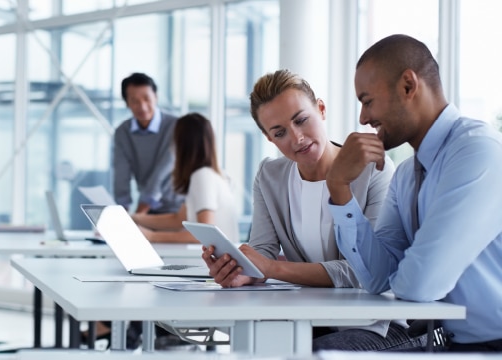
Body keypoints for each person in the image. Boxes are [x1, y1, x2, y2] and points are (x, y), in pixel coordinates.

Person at [201, 69, 422, 351]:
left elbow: (365, 271)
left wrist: (272, 268)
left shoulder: (374, 170)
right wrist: (241, 269)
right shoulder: (270, 175)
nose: (296, 138)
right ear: (269, 138)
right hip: (312, 320)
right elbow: (262, 252)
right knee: (252, 347)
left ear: (321, 109)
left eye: (301, 120)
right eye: (279, 132)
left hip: (377, 324)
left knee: (303, 353)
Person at [326, 34, 502, 352]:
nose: (363, 118)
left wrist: (404, 272)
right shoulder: (407, 174)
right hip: (450, 346)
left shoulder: (477, 152)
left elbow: (420, 285)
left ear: (408, 86)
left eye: (367, 101)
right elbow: (378, 278)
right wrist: (339, 187)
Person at [132, 112, 239, 243]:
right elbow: (178, 219)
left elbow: (205, 234)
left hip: (211, 261)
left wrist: (152, 236)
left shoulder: (202, 177)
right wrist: (134, 218)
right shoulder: (212, 175)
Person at [113, 72, 184, 215]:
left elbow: (163, 170)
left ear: (156, 97)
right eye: (134, 101)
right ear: (127, 103)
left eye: (147, 99)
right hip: (148, 210)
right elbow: (121, 173)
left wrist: (139, 214)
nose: (142, 107)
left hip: (178, 208)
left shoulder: (176, 126)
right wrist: (121, 215)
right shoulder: (122, 132)